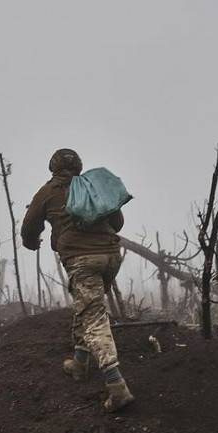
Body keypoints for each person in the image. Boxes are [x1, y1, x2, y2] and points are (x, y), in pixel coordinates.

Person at [20, 148, 134, 412]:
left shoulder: (48, 191)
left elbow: (29, 228)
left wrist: (31, 242)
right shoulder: (92, 186)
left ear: (53, 167)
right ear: (80, 167)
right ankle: (80, 363)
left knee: (93, 316)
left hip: (82, 261)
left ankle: (116, 386)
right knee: (88, 305)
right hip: (110, 257)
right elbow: (117, 222)